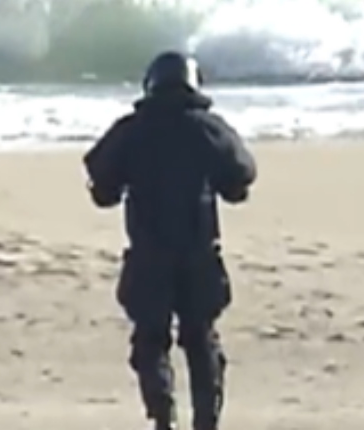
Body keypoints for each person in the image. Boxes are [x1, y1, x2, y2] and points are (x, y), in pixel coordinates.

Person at [83, 51, 257, 430]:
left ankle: (163, 417)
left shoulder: (131, 130)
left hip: (148, 256)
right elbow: (241, 176)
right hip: (198, 254)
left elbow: (101, 186)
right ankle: (206, 421)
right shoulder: (208, 128)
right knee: (201, 340)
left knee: (149, 341)